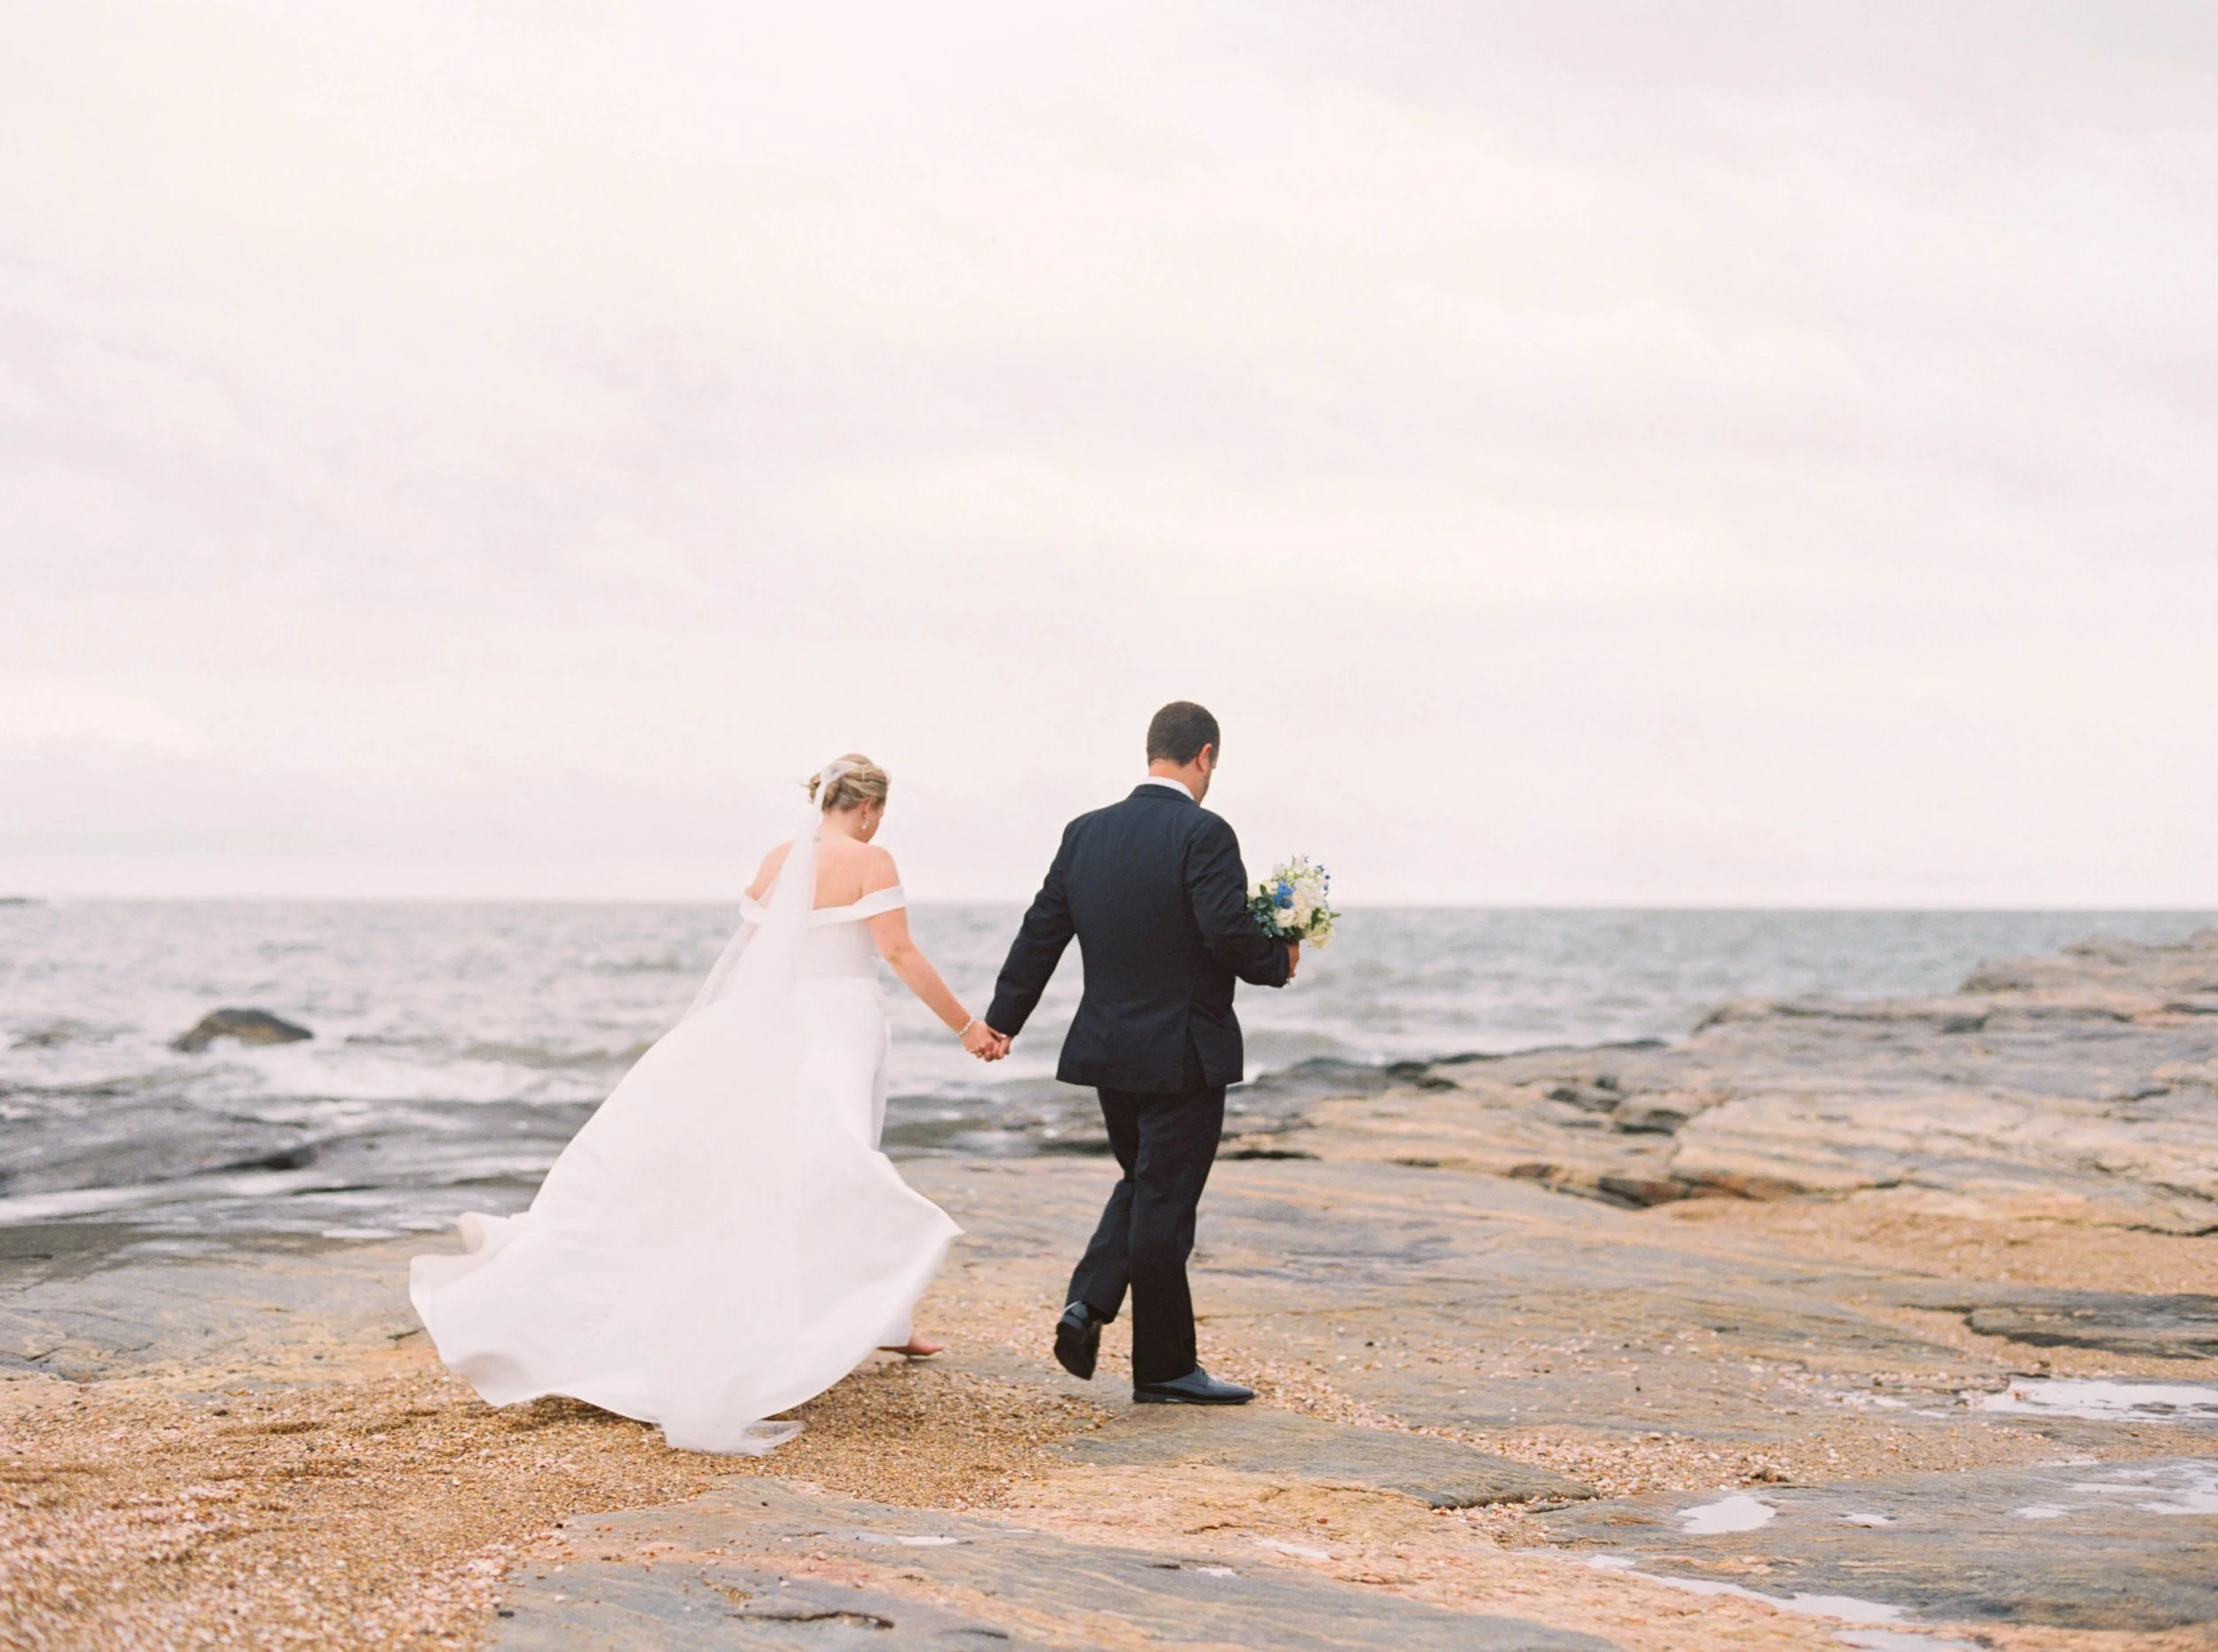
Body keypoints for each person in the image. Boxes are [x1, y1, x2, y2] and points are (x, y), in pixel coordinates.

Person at [409, 756, 994, 1453]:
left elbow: (756, 952)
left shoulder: (781, 858)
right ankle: (839, 1324)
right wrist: (967, 1026)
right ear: (868, 808)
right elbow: (897, 951)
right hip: (840, 1022)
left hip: (769, 1023)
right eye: (879, 815)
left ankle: (886, 1322)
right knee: (839, 1162)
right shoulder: (873, 857)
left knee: (777, 1168)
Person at [980, 702, 1297, 1404]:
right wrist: (1279, 958)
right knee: (1164, 1200)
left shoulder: (1086, 832)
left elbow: (1043, 931)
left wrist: (1004, 1019)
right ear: (1205, 756)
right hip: (1183, 1049)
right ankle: (1164, 1368)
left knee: (1144, 1182)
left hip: (1108, 1048)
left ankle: (1087, 1306)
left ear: (1152, 751)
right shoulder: (1204, 832)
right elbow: (1225, 930)